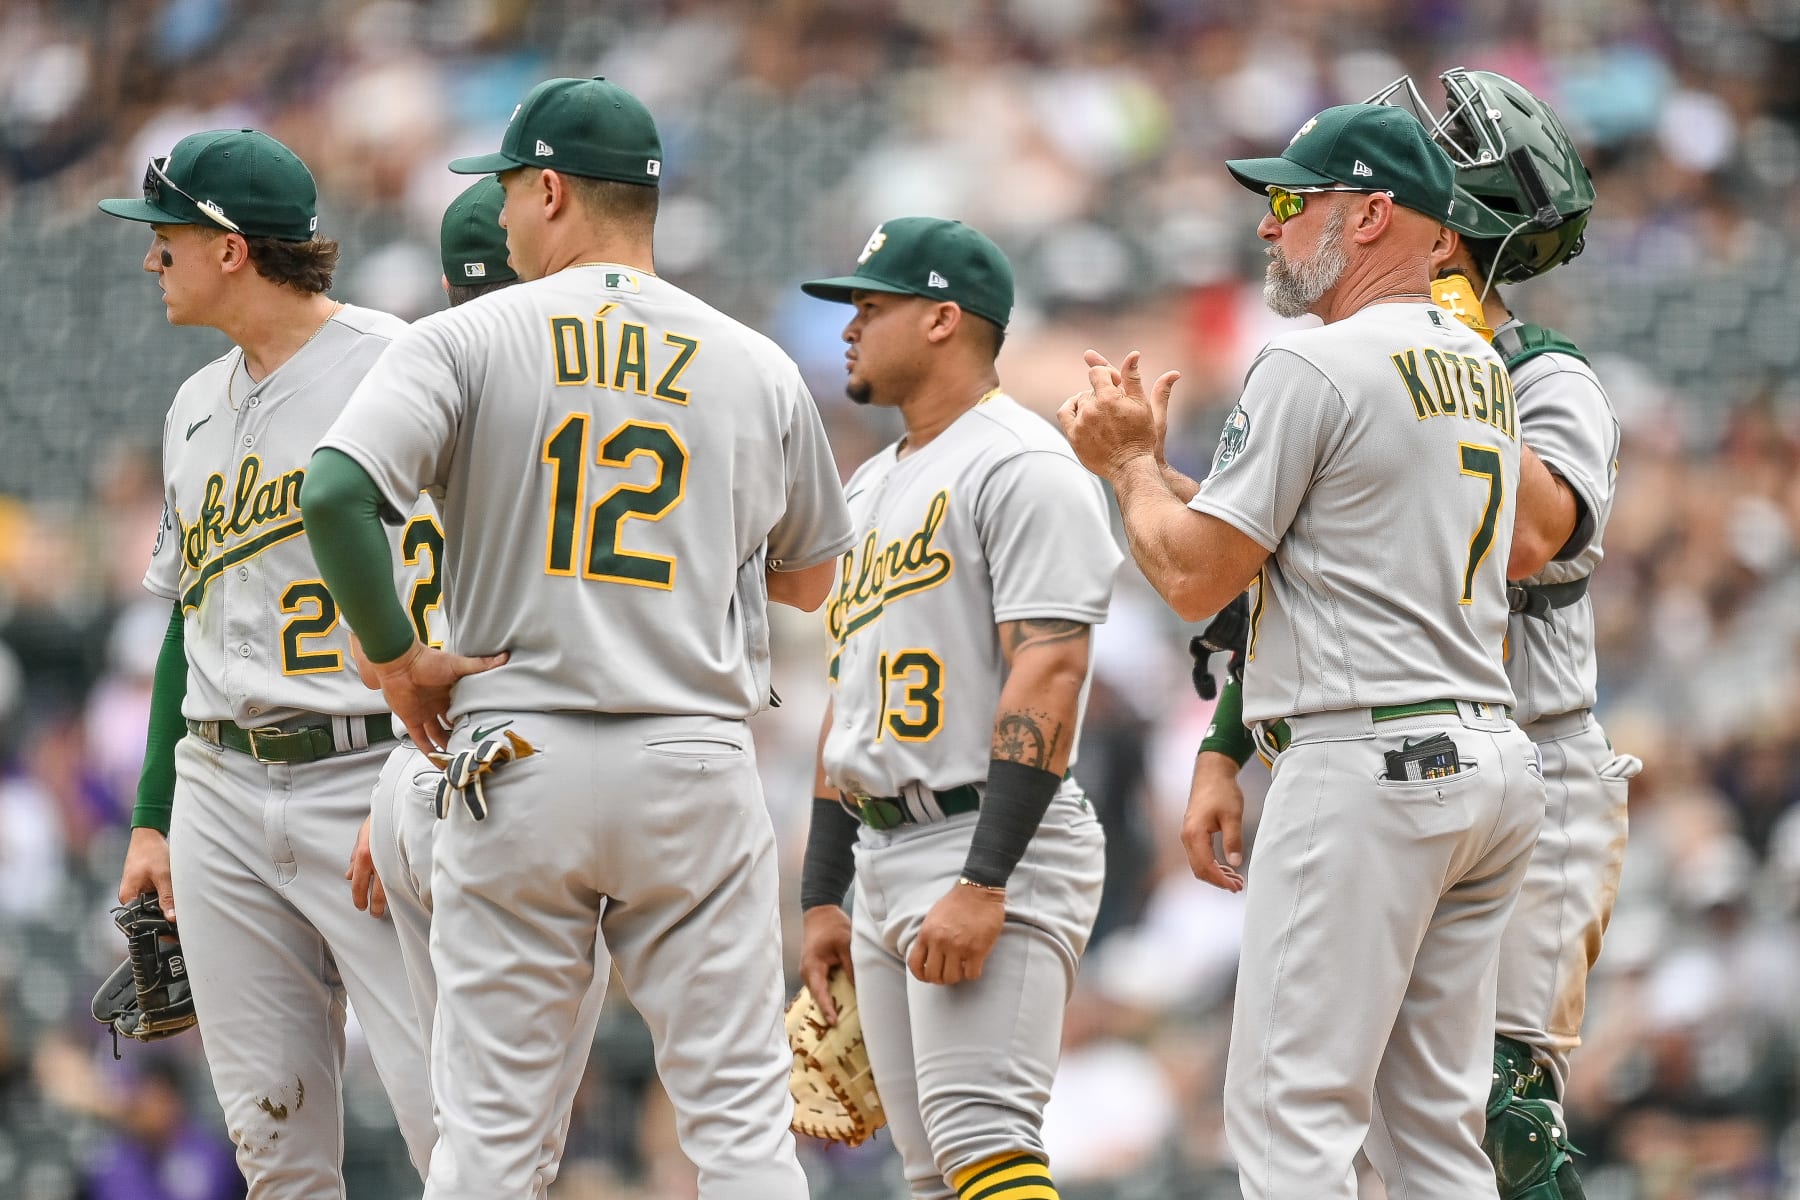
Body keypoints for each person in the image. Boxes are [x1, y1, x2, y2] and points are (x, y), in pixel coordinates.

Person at [299, 76, 854, 1199]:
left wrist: (400, 658)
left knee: (494, 1148)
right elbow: (810, 581)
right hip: (693, 757)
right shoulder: (751, 360)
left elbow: (334, 493)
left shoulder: (469, 335)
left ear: (550, 188)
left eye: (507, 191)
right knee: (742, 1132)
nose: (500, 217)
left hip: (519, 756)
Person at [1059, 103, 1559, 1199]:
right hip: (1481, 762)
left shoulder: (1314, 364)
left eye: (1292, 201)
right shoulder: (1477, 368)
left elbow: (1195, 573)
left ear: (1374, 213)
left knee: (1292, 1124)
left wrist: (1128, 468)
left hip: (1367, 766)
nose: (1268, 227)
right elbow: (1314, 544)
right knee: (1433, 1138)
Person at [1188, 71, 1637, 1200]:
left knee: (1493, 1120)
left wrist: (1458, 369)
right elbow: (1302, 566)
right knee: (1404, 1135)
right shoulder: (1385, 362)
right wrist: (1224, 747)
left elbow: (1533, 540)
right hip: (1398, 749)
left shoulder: (1541, 374)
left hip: (1530, 740)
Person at [99, 129, 434, 1195]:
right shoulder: (192, 405)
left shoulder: (399, 366)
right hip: (220, 784)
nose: (153, 258)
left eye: (168, 238)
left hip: (371, 766)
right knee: (273, 1143)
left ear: (231, 247)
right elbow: (184, 622)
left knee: (457, 1124)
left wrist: (424, 775)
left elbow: (486, 580)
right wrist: (154, 816)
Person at [795, 218, 1119, 1200]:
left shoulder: (1021, 461)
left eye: (872, 305)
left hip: (990, 837)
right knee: (933, 1176)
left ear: (944, 319)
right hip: (889, 848)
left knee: (986, 1142)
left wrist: (987, 880)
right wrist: (823, 886)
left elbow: (1052, 671)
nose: (848, 327)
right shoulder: (872, 483)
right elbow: (849, 693)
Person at [347, 174, 613, 1192]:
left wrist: (391, 789)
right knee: (507, 1141)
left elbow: (376, 651)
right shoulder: (558, 414)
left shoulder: (408, 408)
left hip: (412, 772)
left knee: (465, 1125)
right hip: (509, 769)